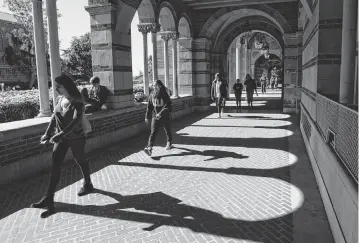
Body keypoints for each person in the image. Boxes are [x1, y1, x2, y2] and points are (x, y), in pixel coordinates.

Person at [31, 74, 94, 215]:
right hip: (62, 138)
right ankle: (49, 198)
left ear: (66, 86)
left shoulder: (77, 100)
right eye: (55, 86)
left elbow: (77, 120)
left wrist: (60, 134)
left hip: (76, 137)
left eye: (58, 86)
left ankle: (88, 183)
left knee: (80, 159)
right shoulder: (60, 100)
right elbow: (54, 117)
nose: (56, 89)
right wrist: (47, 133)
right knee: (55, 165)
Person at [144, 80, 173, 157]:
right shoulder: (151, 96)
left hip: (165, 117)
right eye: (153, 86)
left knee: (167, 130)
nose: (154, 87)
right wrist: (147, 117)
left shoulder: (165, 95)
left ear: (160, 86)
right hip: (155, 117)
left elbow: (168, 106)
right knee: (153, 132)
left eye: (156, 85)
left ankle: (169, 142)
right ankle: (149, 148)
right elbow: (149, 107)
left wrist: (161, 113)